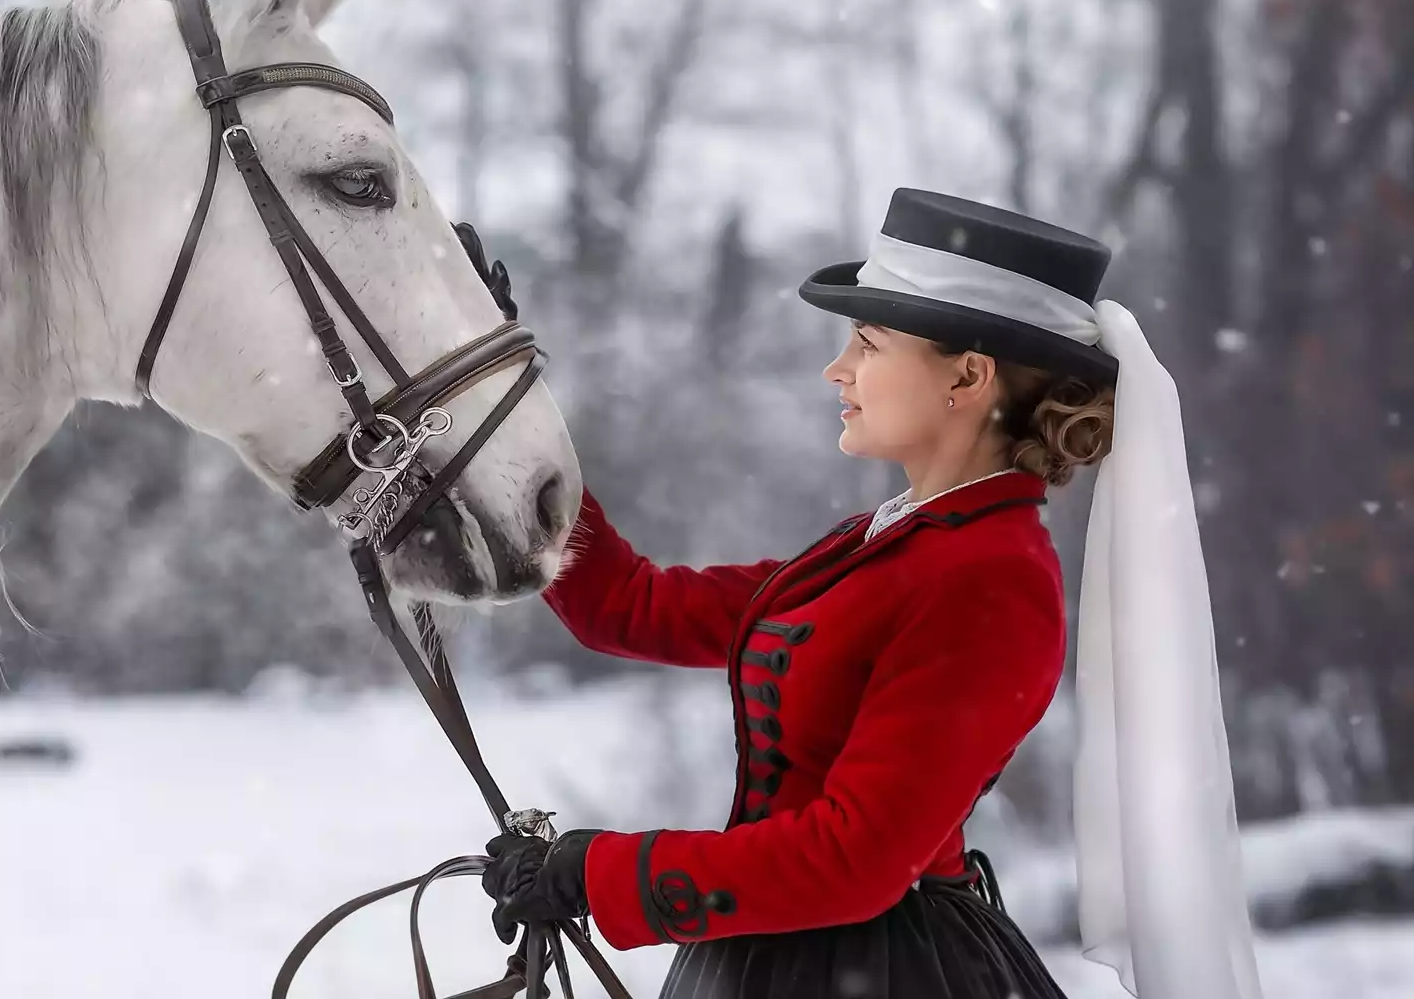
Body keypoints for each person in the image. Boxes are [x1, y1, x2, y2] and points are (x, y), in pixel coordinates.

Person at [480, 189, 1265, 999]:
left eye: (869, 343)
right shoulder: (884, 545)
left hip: (888, 972)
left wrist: (603, 873)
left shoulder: (991, 580)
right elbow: (630, 608)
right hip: (785, 960)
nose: (838, 369)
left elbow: (854, 862)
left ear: (967, 376)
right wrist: (503, 406)